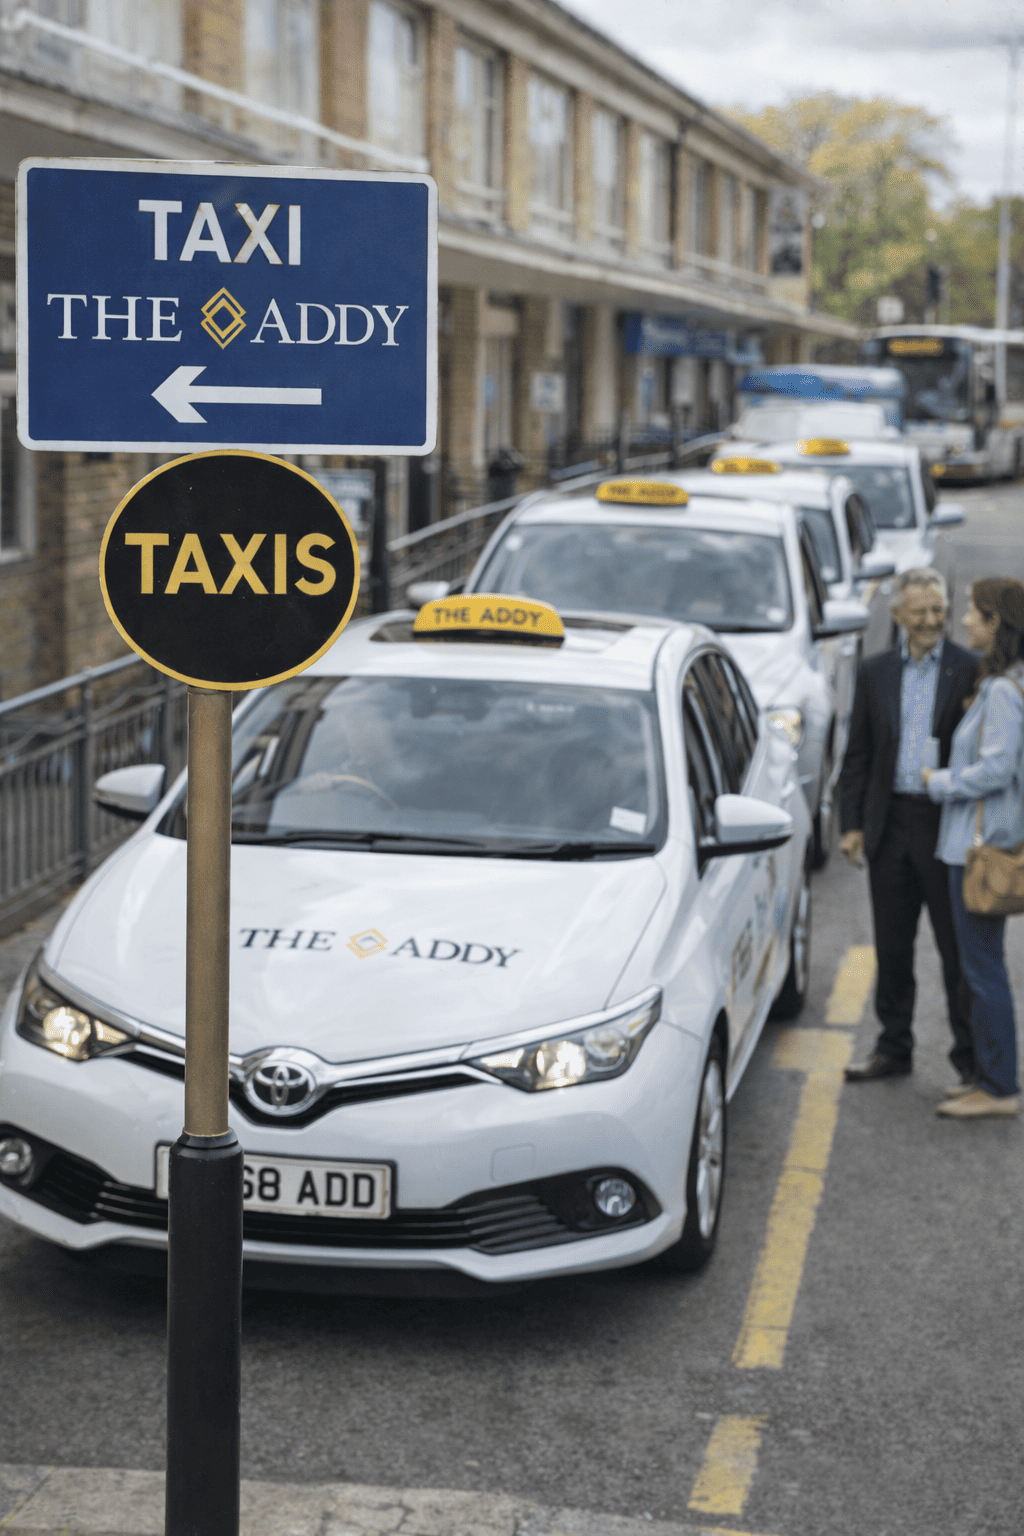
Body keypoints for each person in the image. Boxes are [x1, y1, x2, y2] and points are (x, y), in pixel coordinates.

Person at [840, 569, 979, 1083]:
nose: (930, 622)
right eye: (919, 611)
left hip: (945, 823)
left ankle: (969, 1062)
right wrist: (851, 824)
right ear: (897, 615)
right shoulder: (874, 672)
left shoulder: (970, 670)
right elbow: (857, 754)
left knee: (955, 952)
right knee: (892, 948)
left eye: (939, 611)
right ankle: (893, 1049)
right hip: (891, 823)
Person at [923, 579, 1024, 1118]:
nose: (964, 622)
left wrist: (939, 781)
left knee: (983, 973)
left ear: (997, 624)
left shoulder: (1005, 692)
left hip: (976, 851)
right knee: (979, 968)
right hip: (971, 844)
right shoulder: (1005, 685)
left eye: (974, 613)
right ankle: (988, 1075)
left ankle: (1001, 1087)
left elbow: (996, 769)